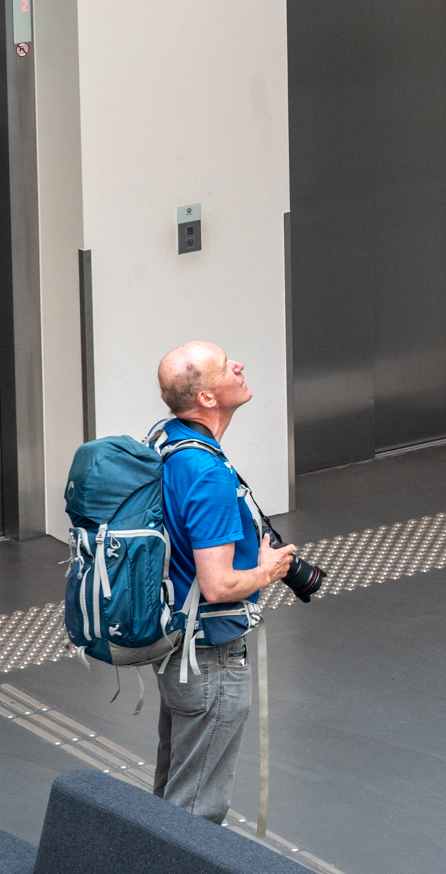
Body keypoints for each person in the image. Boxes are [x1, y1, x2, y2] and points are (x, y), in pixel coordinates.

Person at [152, 340, 295, 823]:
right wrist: (270, 569)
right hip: (210, 660)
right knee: (195, 812)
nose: (238, 365)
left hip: (177, 648)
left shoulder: (168, 441)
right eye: (224, 365)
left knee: (172, 795)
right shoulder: (206, 471)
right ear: (207, 398)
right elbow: (217, 586)